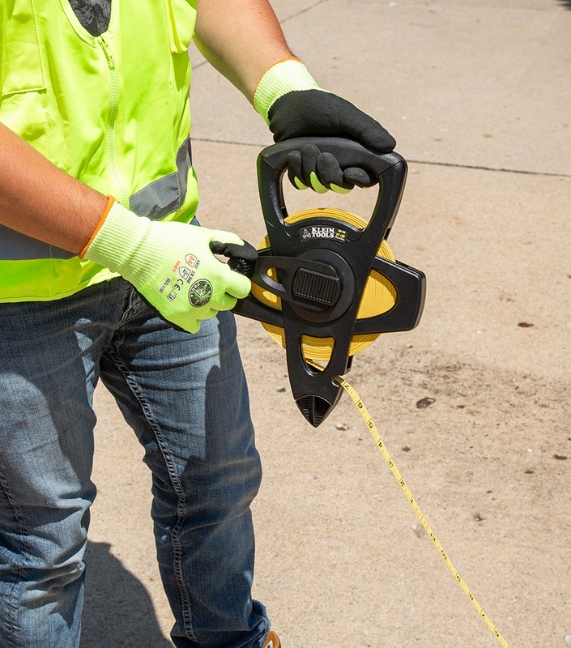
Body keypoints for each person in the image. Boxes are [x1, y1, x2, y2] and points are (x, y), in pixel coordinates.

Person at [0, 0, 395, 646]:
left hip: (171, 249)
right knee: (40, 546)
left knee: (219, 481)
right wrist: (130, 246)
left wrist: (284, 87)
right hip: (19, 290)